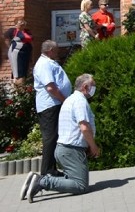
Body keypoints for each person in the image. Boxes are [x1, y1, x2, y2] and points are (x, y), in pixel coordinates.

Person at [22, 74, 99, 203]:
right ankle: (42, 181)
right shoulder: (80, 101)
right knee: (81, 185)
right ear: (85, 87)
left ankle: (34, 180)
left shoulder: (70, 99)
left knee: (74, 179)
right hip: (72, 150)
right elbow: (84, 127)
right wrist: (93, 146)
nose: (94, 89)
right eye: (93, 86)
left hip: (64, 149)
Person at [33, 40, 72, 176]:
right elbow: (51, 87)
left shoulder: (48, 62)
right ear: (50, 50)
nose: (58, 52)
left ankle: (52, 169)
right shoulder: (44, 64)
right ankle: (47, 171)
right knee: (50, 137)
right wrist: (64, 100)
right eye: (56, 50)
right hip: (50, 105)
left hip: (53, 104)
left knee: (54, 136)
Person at [5, 18, 33, 86]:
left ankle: (23, 89)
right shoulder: (13, 31)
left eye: (23, 22)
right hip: (17, 54)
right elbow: (6, 40)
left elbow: (31, 42)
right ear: (16, 24)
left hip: (26, 54)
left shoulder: (27, 31)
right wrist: (10, 49)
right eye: (20, 22)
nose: (23, 24)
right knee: (18, 73)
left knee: (25, 73)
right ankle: (18, 91)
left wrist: (32, 55)